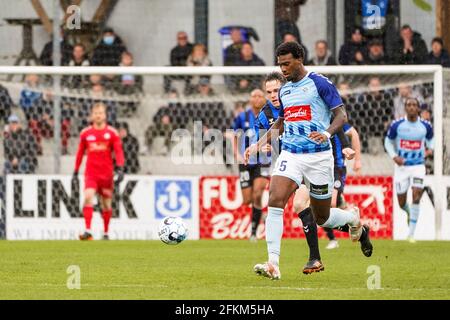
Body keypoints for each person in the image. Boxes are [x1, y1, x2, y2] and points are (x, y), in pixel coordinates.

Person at [246, 42, 372, 280]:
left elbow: (341, 115)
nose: (283, 69)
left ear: (300, 58)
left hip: (319, 157)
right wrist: (259, 143)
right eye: (280, 64)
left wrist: (326, 134)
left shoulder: (320, 83)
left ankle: (353, 218)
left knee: (322, 217)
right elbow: (281, 122)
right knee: (275, 199)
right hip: (291, 154)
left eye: (287, 63)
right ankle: (273, 263)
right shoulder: (285, 90)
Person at [384, 98, 433, 243]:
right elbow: (388, 142)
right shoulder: (397, 125)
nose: (411, 107)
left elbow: (432, 139)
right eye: (409, 105)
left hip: (418, 166)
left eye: (414, 105)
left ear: (418, 108)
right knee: (401, 202)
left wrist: (430, 149)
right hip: (402, 168)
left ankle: (411, 234)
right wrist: (394, 156)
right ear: (405, 108)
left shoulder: (426, 125)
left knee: (416, 195)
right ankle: (408, 211)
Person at [73, 102, 125, 241]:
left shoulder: (112, 133)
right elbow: (80, 153)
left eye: (101, 113)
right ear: (92, 115)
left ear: (105, 115)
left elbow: (118, 152)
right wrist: (75, 170)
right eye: (96, 113)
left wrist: (120, 168)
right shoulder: (86, 133)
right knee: (88, 196)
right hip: (91, 173)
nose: (98, 116)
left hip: (106, 174)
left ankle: (106, 233)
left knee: (106, 204)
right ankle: (88, 231)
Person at [232, 89, 269, 241]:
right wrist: (237, 154)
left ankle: (253, 231)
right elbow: (234, 135)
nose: (257, 98)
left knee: (258, 193)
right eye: (254, 96)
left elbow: (276, 133)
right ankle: (261, 213)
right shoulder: (242, 117)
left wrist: (272, 146)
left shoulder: (269, 116)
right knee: (247, 200)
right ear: (250, 99)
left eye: (260, 96)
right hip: (246, 162)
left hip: (263, 160)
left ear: (264, 99)